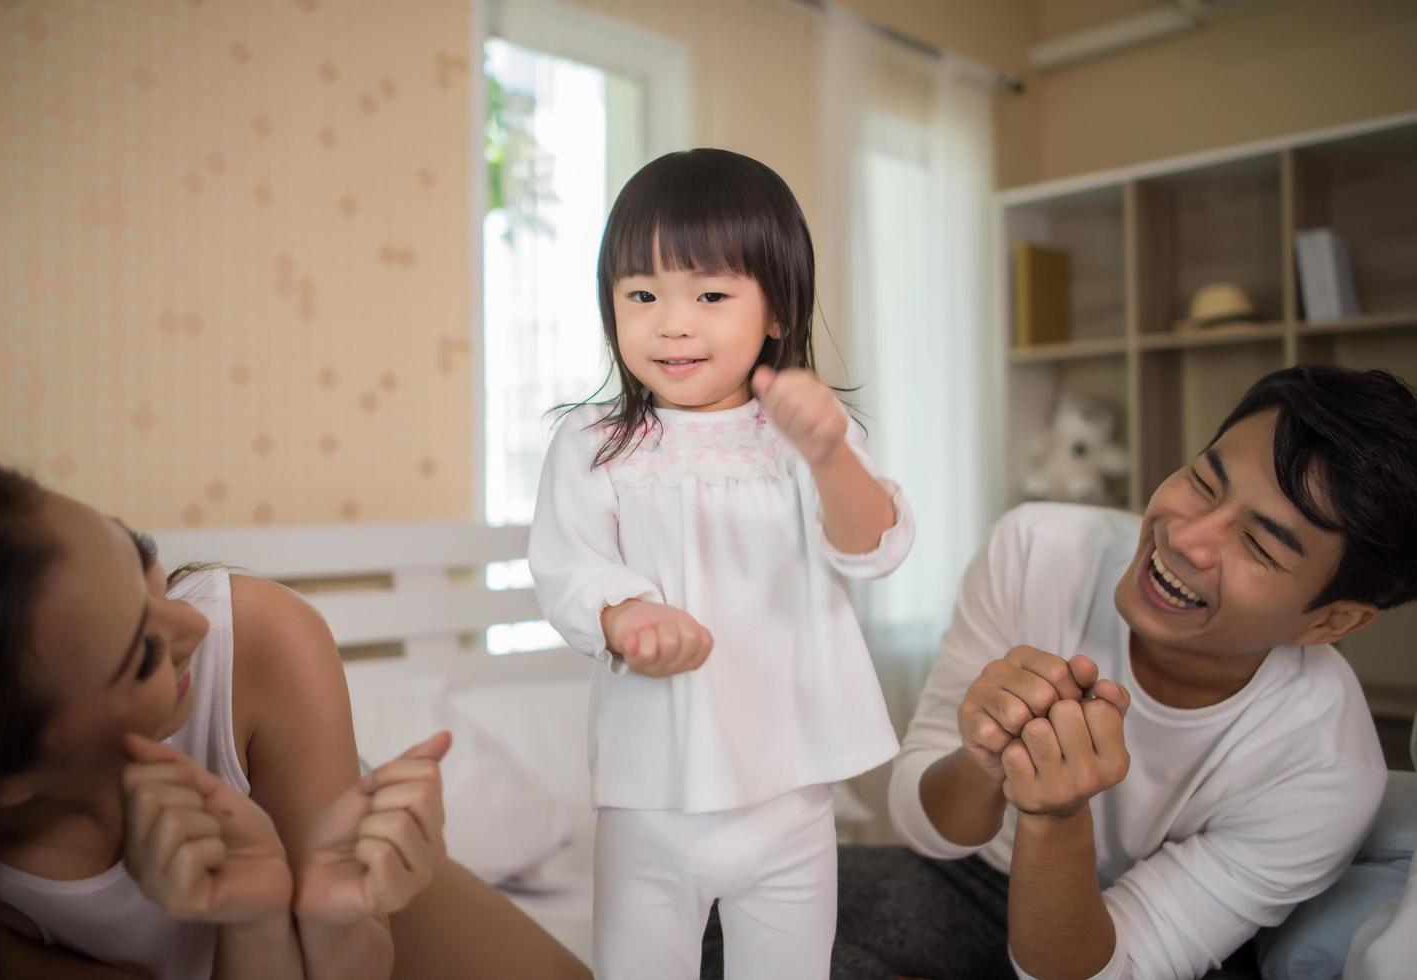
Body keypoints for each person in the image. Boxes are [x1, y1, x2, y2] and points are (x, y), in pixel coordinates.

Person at [828, 364, 1417, 980]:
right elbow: (930, 830)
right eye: (1203, 482)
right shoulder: (1039, 550)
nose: (1187, 538)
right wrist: (983, 759)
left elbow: (1103, 971)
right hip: (973, 881)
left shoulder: (1326, 771)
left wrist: (1056, 818)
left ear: (1329, 623)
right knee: (752, 924)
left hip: (1131, 940)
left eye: (1259, 546)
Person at [0, 450, 592, 980]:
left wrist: (316, 908)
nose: (193, 622)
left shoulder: (255, 636)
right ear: (4, 780)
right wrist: (252, 922)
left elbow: (353, 961)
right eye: (143, 654)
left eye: (139, 555)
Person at [528, 147, 914, 980]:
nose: (672, 322)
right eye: (641, 295)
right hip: (648, 798)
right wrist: (625, 614)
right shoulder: (593, 444)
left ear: (776, 311)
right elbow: (568, 565)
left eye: (709, 294)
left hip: (790, 793)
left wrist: (828, 455)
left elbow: (872, 548)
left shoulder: (808, 431)